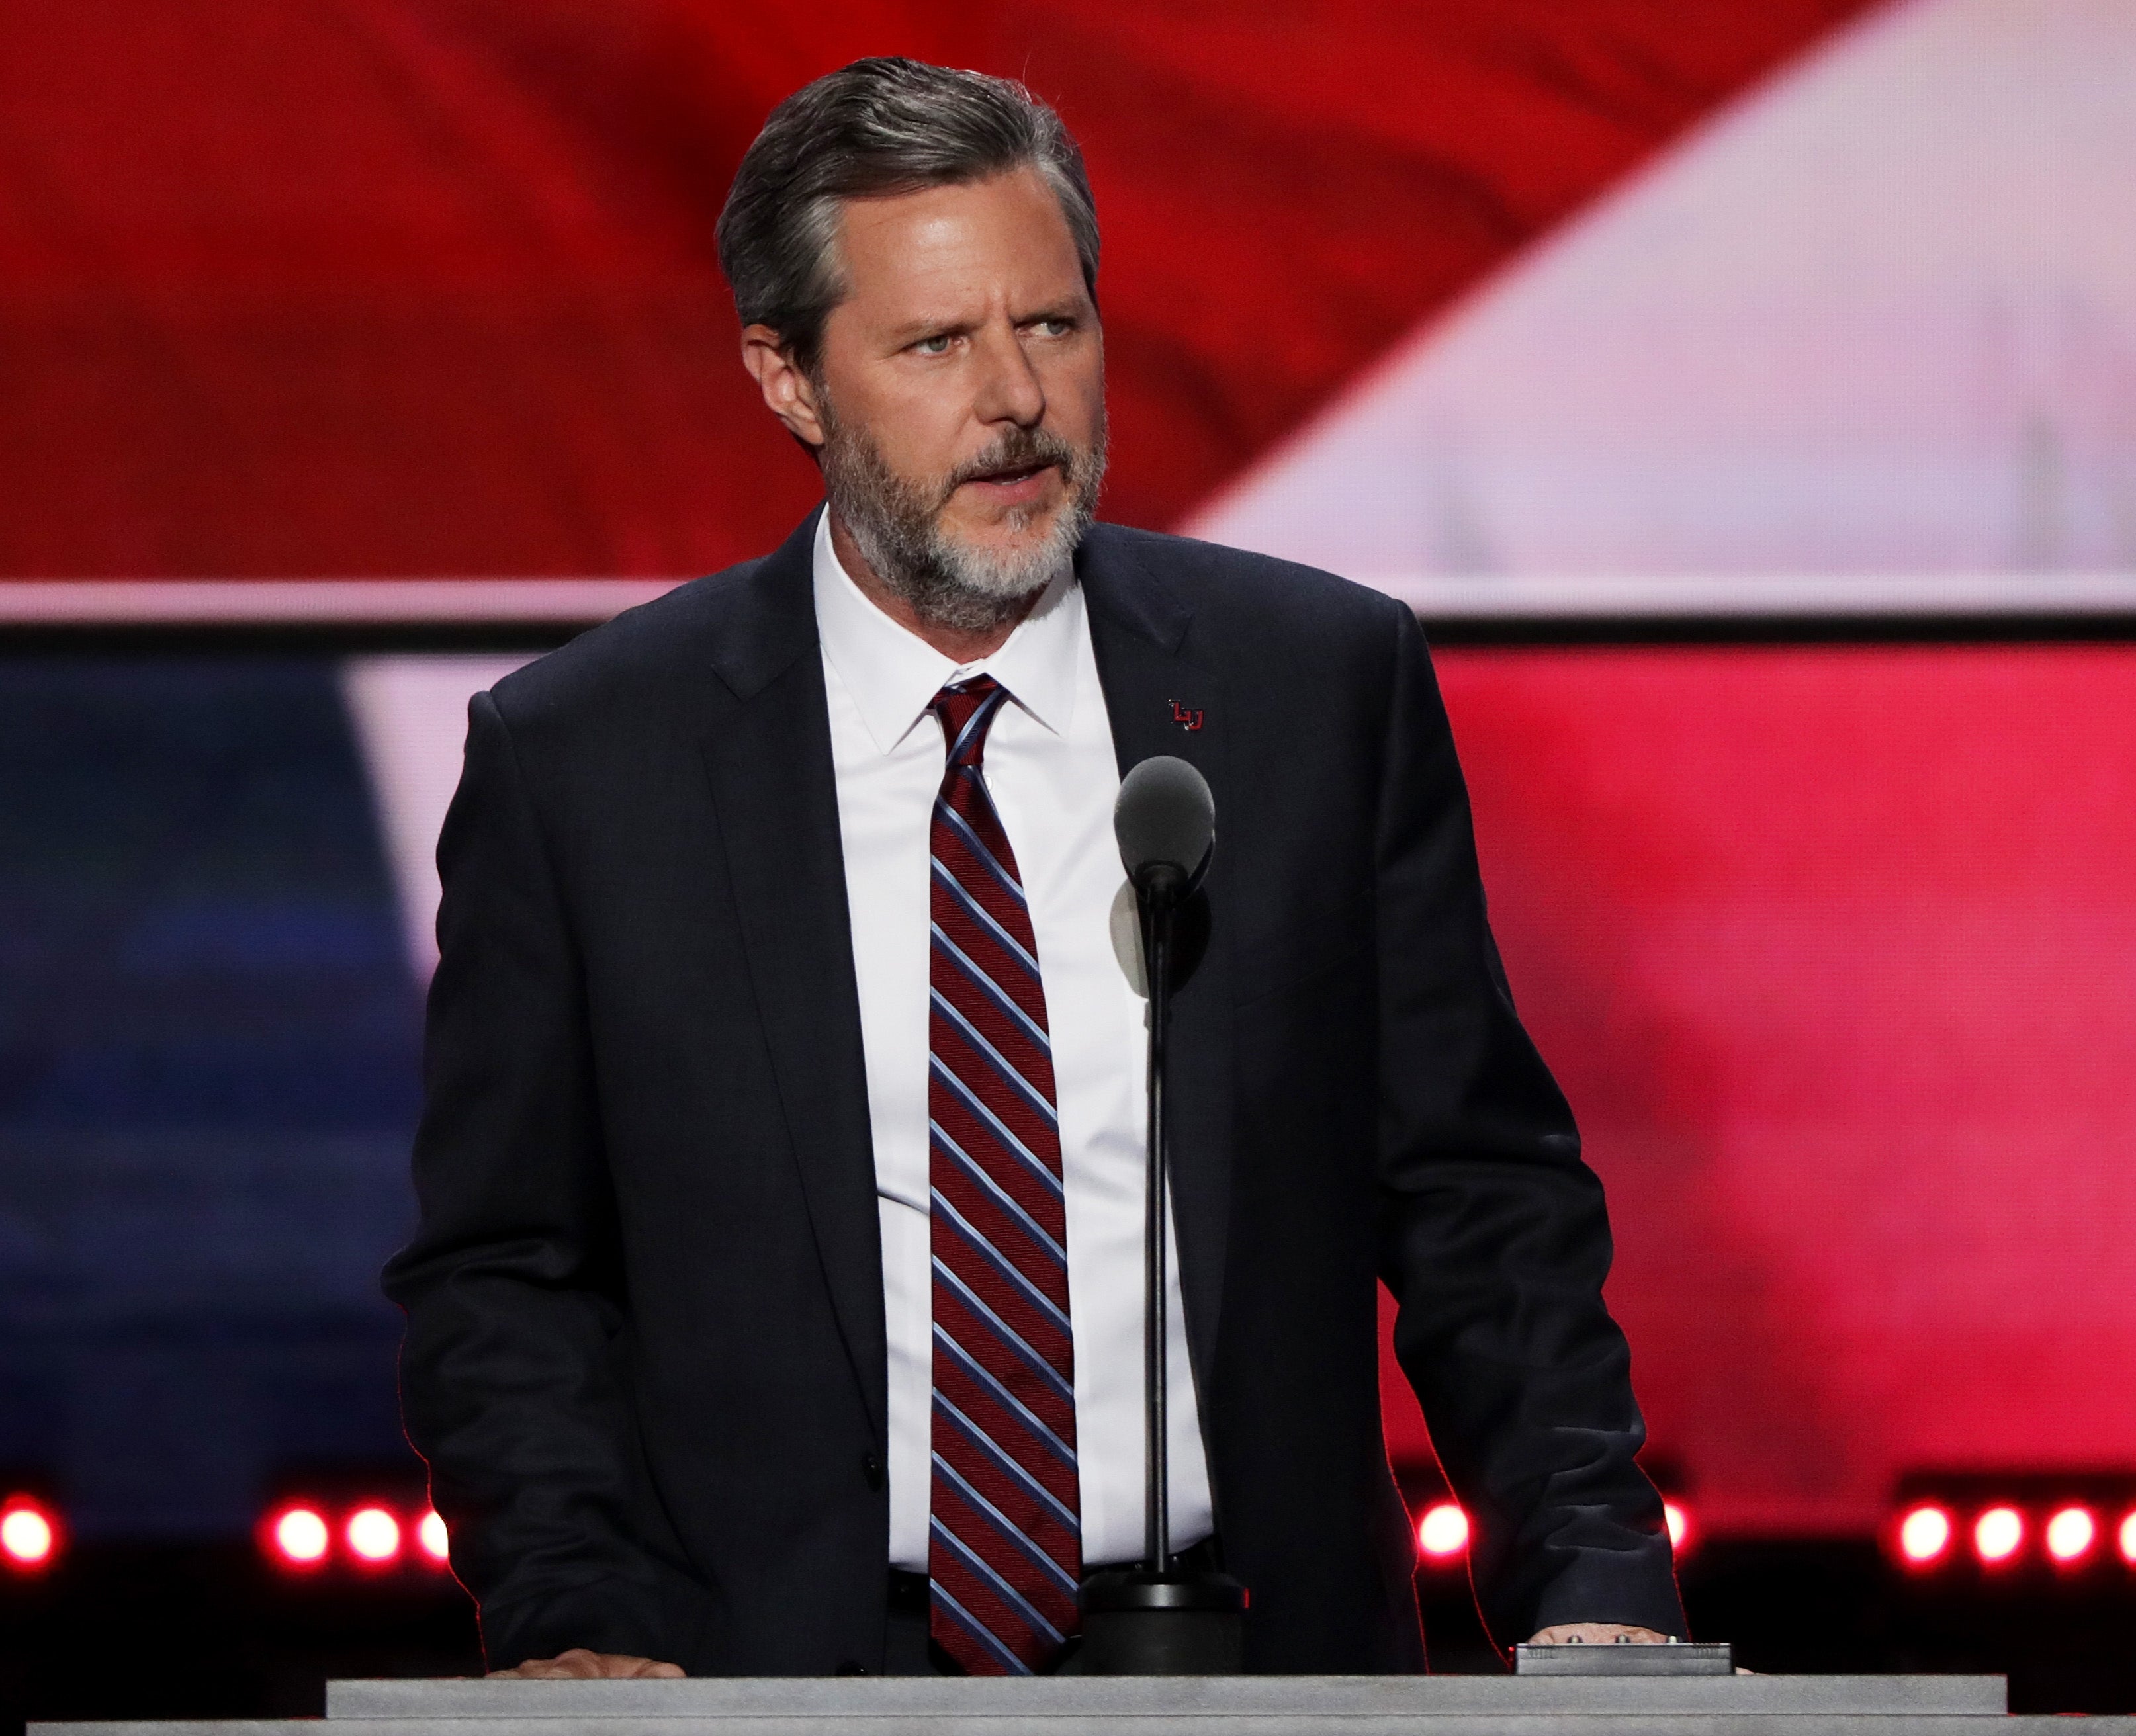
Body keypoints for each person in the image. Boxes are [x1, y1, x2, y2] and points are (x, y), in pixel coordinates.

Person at [384, 56, 1685, 1679]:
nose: (1015, 400)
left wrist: (1593, 1580)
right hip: (773, 1683)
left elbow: (1476, 1194)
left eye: (1051, 326)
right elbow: (508, 1271)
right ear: (787, 378)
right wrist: (576, 1616)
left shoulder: (1308, 691)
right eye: (935, 344)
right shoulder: (586, 763)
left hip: (1254, 1666)